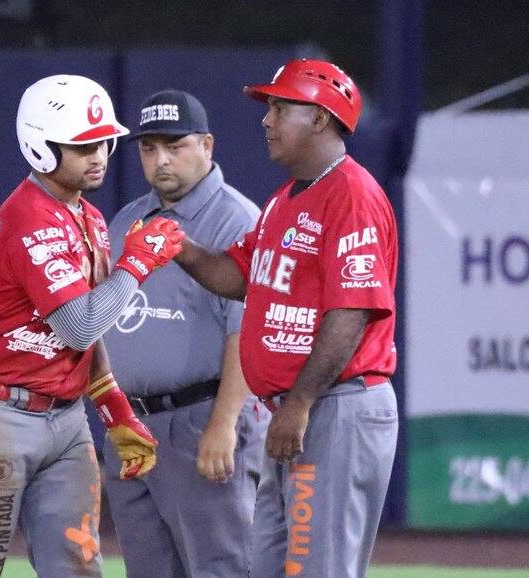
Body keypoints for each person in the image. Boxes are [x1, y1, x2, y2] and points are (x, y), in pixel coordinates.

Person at [0, 74, 185, 578]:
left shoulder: (86, 217)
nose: (100, 154)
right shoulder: (31, 216)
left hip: (63, 419)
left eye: (104, 141)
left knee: (79, 569)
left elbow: (92, 332)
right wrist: (137, 265)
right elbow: (79, 327)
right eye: (81, 144)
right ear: (40, 146)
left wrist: (113, 406)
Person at [173, 59, 400, 577]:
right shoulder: (284, 200)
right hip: (299, 409)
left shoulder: (352, 195)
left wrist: (298, 404)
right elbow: (239, 274)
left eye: (280, 106)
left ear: (320, 119)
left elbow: (351, 312)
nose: (266, 119)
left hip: (335, 406)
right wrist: (180, 249)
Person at [101, 90, 268, 578]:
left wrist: (223, 423)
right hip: (131, 425)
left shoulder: (236, 219)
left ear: (207, 145)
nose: (161, 160)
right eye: (149, 148)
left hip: (200, 420)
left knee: (221, 567)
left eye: (175, 146)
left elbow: (247, 331)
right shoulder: (128, 219)